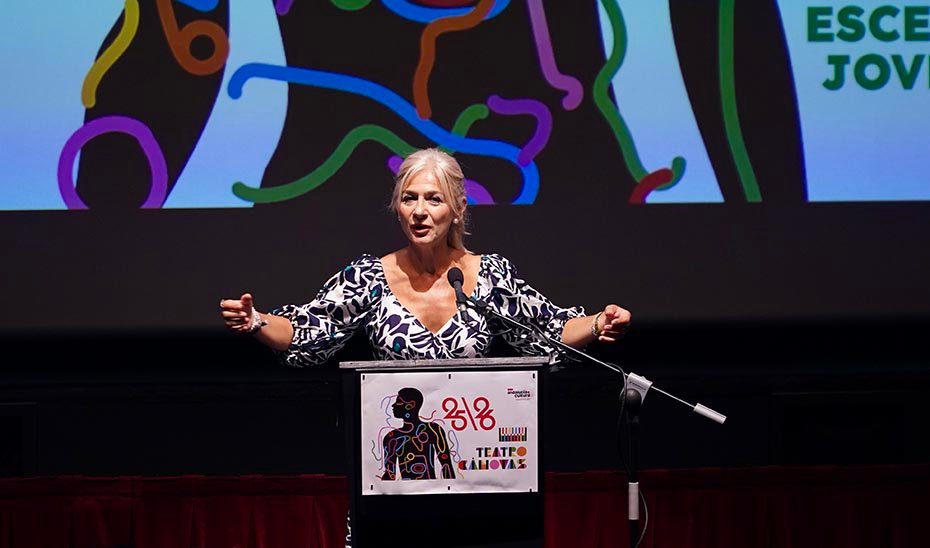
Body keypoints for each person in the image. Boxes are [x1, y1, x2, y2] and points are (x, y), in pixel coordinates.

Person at [220, 148, 631, 365]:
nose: (419, 211)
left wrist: (600, 322)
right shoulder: (369, 278)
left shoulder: (489, 276)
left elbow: (550, 329)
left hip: (477, 455)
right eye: (409, 198)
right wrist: (255, 320)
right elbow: (304, 331)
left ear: (457, 209)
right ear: (397, 207)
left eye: (433, 199)